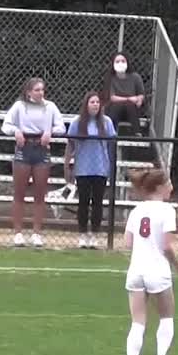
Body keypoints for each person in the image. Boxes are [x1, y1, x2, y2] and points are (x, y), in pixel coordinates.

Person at [123, 168, 178, 355]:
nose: (171, 187)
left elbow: (127, 243)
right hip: (158, 271)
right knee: (166, 317)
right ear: (159, 187)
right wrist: (177, 265)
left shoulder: (136, 211)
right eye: (169, 183)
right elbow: (167, 247)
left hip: (136, 271)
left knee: (138, 321)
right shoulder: (167, 211)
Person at [1, 76, 65, 248]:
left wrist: (49, 132)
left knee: (40, 194)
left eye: (42, 89)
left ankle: (37, 233)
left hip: (42, 150)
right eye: (36, 90)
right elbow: (5, 125)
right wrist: (16, 131)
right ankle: (18, 233)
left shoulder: (50, 106)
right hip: (24, 149)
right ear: (29, 91)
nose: (40, 93)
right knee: (19, 192)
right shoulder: (19, 106)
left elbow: (61, 127)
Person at [65, 91, 118, 249]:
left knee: (97, 202)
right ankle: (82, 234)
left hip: (100, 168)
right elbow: (70, 144)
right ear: (86, 104)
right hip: (83, 168)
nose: (95, 104)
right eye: (92, 102)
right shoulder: (78, 122)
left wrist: (110, 165)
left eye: (97, 102)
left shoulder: (106, 122)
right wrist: (68, 164)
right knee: (83, 202)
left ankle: (94, 234)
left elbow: (111, 144)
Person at [102, 52, 145, 135]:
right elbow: (112, 97)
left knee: (130, 105)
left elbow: (141, 94)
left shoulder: (135, 77)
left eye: (123, 61)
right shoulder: (110, 78)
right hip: (115, 109)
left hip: (131, 110)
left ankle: (137, 133)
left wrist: (139, 99)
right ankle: (111, 132)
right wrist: (129, 99)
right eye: (117, 61)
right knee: (119, 105)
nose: (120, 63)